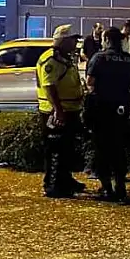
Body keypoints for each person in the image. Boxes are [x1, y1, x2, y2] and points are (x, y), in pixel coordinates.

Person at [85, 27, 130, 201]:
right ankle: (121, 185)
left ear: (107, 39)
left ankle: (107, 187)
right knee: (119, 147)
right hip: (122, 108)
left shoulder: (99, 58)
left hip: (102, 108)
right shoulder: (129, 60)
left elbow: (90, 81)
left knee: (102, 147)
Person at [36, 25, 86, 198]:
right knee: (56, 150)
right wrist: (58, 111)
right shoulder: (52, 59)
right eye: (73, 39)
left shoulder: (64, 58)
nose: (76, 43)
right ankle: (53, 186)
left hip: (69, 110)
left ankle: (65, 179)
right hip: (56, 112)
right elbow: (49, 87)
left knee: (66, 149)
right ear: (64, 40)